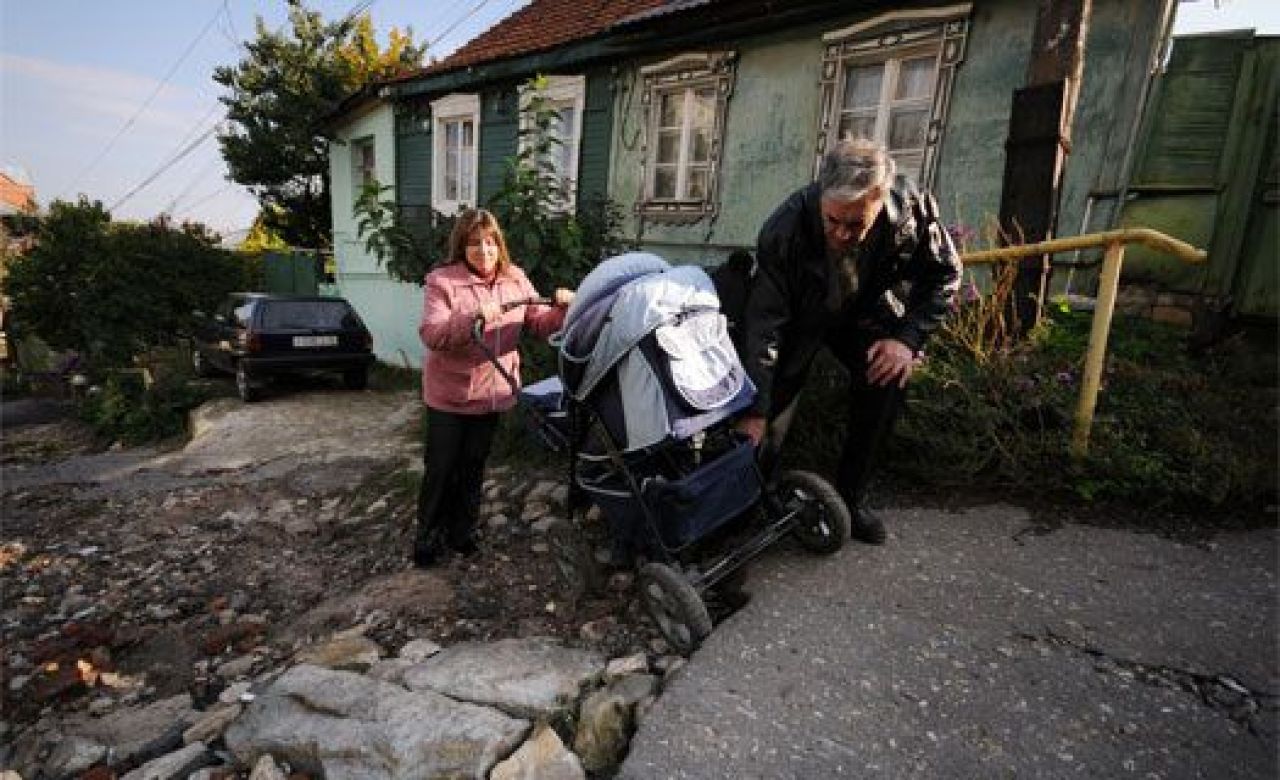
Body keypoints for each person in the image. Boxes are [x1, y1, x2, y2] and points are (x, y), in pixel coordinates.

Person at [736, 138, 962, 545]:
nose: (841, 234)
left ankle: (849, 499)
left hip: (864, 311)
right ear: (821, 196)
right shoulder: (783, 229)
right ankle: (748, 498)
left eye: (856, 223)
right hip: (799, 319)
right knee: (766, 410)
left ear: (880, 200)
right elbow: (765, 325)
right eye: (832, 221)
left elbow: (944, 275)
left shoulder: (910, 212)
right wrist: (755, 408)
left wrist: (907, 340)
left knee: (888, 376)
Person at [413, 208, 574, 568]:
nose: (483, 251)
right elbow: (433, 334)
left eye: (489, 243)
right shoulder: (442, 282)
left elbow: (539, 322)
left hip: (493, 394)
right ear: (461, 247)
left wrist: (563, 309)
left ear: (498, 245)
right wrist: (474, 316)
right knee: (441, 468)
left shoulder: (515, 279)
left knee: (473, 466)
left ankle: (462, 533)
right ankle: (427, 537)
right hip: (450, 396)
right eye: (473, 244)